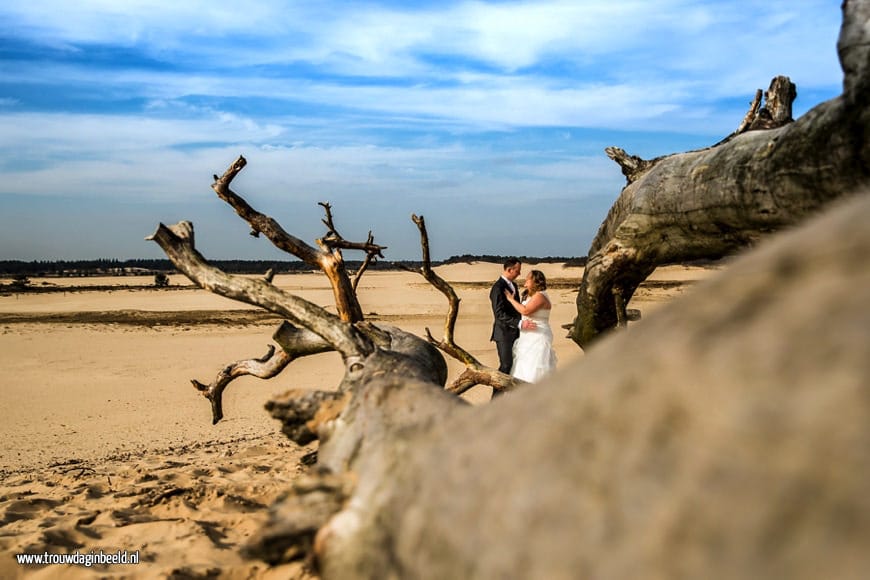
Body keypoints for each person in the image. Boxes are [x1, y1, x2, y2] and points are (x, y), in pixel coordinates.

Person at [503, 269, 557, 383]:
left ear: (535, 281)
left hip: (538, 336)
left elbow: (526, 311)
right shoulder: (528, 295)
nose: (525, 281)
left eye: (528, 278)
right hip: (526, 336)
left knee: (535, 367)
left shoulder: (540, 296)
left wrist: (511, 300)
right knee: (523, 365)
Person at [490, 258, 524, 376]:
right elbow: (499, 314)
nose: (519, 274)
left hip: (517, 333)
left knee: (516, 365)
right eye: (517, 271)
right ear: (509, 269)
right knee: (506, 365)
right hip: (504, 333)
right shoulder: (498, 288)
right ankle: (496, 395)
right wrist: (518, 323)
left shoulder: (514, 285)